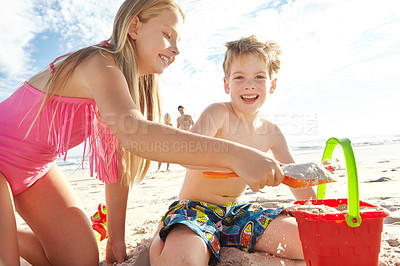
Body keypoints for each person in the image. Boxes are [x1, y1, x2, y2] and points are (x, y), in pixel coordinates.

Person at [0, 2, 287, 265]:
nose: (175, 48)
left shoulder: (121, 87)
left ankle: (10, 235)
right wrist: (235, 155)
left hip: (33, 172)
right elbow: (138, 135)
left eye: (178, 40)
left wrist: (115, 241)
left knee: (82, 260)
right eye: (167, 34)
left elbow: (117, 163)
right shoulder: (99, 63)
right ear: (134, 27)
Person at [149, 35, 317, 265]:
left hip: (238, 214)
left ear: (273, 84)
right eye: (240, 77)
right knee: (182, 260)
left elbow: (294, 176)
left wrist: (318, 209)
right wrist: (234, 159)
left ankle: (221, 239)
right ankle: (168, 231)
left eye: (259, 76)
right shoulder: (218, 113)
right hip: (195, 210)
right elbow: (186, 155)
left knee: (308, 241)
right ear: (227, 84)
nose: (249, 84)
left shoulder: (272, 132)